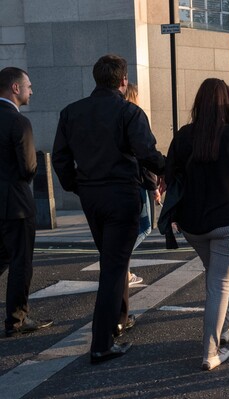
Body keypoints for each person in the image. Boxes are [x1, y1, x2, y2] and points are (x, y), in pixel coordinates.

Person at [52, 54, 165, 363]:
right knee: (114, 268)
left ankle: (121, 318)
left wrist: (76, 185)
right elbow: (147, 154)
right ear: (123, 80)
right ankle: (101, 343)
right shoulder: (129, 112)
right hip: (121, 195)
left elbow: (59, 158)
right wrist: (172, 168)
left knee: (114, 259)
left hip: (91, 196)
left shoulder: (71, 112)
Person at [165, 78, 229, 371]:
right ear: (227, 102)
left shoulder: (183, 137)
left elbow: (170, 174)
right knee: (219, 285)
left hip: (193, 225)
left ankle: (222, 328)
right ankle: (210, 352)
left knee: (215, 278)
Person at [0, 67, 54, 337]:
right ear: (15, 88)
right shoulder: (19, 122)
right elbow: (29, 167)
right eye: (28, 86)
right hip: (16, 205)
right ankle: (16, 320)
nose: (31, 90)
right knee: (21, 263)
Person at [123, 82, 162, 286]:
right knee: (144, 227)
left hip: (117, 185)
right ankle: (120, 264)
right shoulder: (135, 115)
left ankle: (123, 269)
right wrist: (154, 186)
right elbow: (145, 156)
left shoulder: (115, 117)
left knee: (128, 229)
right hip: (137, 183)